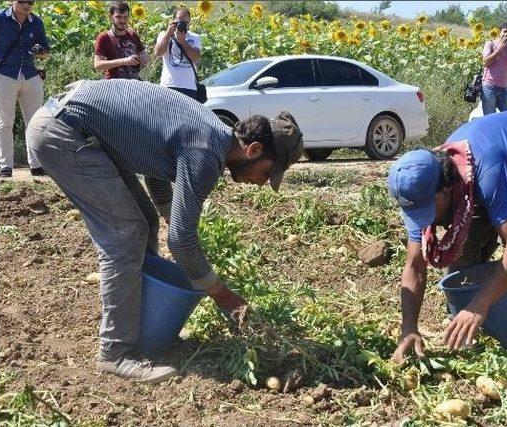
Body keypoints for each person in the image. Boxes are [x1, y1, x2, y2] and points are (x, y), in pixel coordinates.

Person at [27, 79, 304, 384]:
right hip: (65, 133)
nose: (262, 182)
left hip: (77, 127)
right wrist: (224, 297)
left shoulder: (212, 131)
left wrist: (168, 213)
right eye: (266, 172)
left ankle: (145, 329)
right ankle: (116, 353)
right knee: (127, 235)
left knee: (145, 222)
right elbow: (181, 241)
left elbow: (155, 167)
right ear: (253, 149)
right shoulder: (206, 152)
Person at [388, 110, 507, 384]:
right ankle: (485, 332)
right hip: (496, 163)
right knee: (463, 252)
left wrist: (480, 304)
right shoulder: (421, 186)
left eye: (428, 211)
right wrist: (409, 326)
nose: (425, 220)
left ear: (445, 191)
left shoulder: (484, 171)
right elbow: (415, 265)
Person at [0, 0, 50, 178]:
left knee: (35, 122)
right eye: (22, 1)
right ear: (12, 1)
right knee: (5, 121)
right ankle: (6, 166)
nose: (27, 5)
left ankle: (36, 164)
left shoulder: (37, 22)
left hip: (30, 74)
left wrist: (40, 51)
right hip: (4, 74)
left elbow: (46, 52)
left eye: (30, 2)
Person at [153, 5, 201, 99]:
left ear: (190, 22)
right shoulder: (164, 35)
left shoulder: (195, 37)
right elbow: (158, 53)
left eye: (185, 22)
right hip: (168, 85)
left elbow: (196, 58)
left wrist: (183, 41)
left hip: (189, 87)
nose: (183, 25)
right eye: (180, 22)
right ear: (173, 20)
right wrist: (168, 34)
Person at [94, 0, 148, 80]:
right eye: (118, 17)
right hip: (114, 86)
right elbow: (98, 66)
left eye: (125, 17)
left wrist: (143, 58)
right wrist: (124, 61)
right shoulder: (104, 37)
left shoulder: (133, 35)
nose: (123, 21)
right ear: (110, 16)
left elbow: (144, 55)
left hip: (134, 84)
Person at [481, 22, 507, 115]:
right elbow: (485, 62)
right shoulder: (490, 44)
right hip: (489, 87)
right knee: (490, 117)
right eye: (504, 31)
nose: (506, 34)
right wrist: (499, 49)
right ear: (500, 32)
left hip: (503, 88)